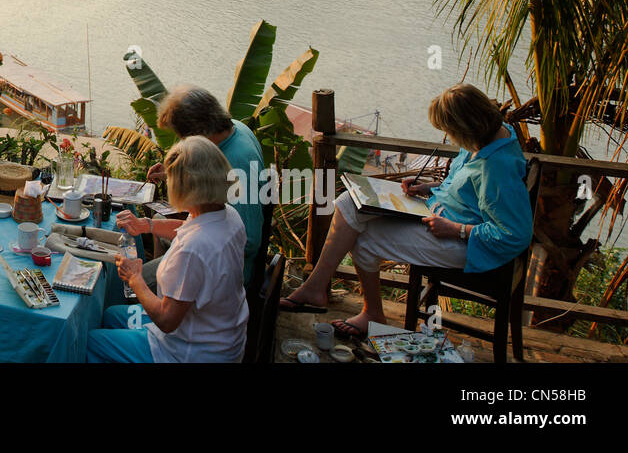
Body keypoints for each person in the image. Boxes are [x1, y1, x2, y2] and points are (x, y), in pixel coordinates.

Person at [280, 84, 533, 339]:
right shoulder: (491, 133)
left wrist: (457, 230)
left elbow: (514, 235)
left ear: (466, 127)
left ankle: (373, 314)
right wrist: (428, 187)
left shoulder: (497, 168)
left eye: (450, 131)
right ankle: (316, 286)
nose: (450, 136)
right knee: (349, 201)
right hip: (438, 211)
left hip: (463, 241)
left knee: (366, 242)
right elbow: (469, 190)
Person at [87, 136, 248, 362]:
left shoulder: (193, 249)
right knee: (112, 315)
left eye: (172, 178)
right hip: (220, 333)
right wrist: (147, 225)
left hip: (189, 352)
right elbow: (187, 226)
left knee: (91, 342)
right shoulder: (227, 215)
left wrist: (135, 278)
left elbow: (166, 320)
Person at [117, 86, 265, 285]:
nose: (182, 143)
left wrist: (185, 249)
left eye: (183, 139)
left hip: (222, 271)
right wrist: (173, 171)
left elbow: (248, 241)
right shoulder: (234, 128)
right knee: (159, 218)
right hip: (204, 237)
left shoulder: (237, 164)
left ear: (199, 134)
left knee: (130, 279)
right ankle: (162, 277)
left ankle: (157, 299)